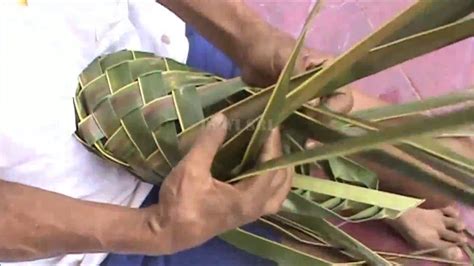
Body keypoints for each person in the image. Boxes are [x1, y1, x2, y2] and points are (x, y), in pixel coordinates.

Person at [0, 0, 471, 265]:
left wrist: (245, 33)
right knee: (330, 257)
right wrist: (149, 229)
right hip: (80, 222)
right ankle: (360, 212)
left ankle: (380, 201)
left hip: (162, 66)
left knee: (416, 158)